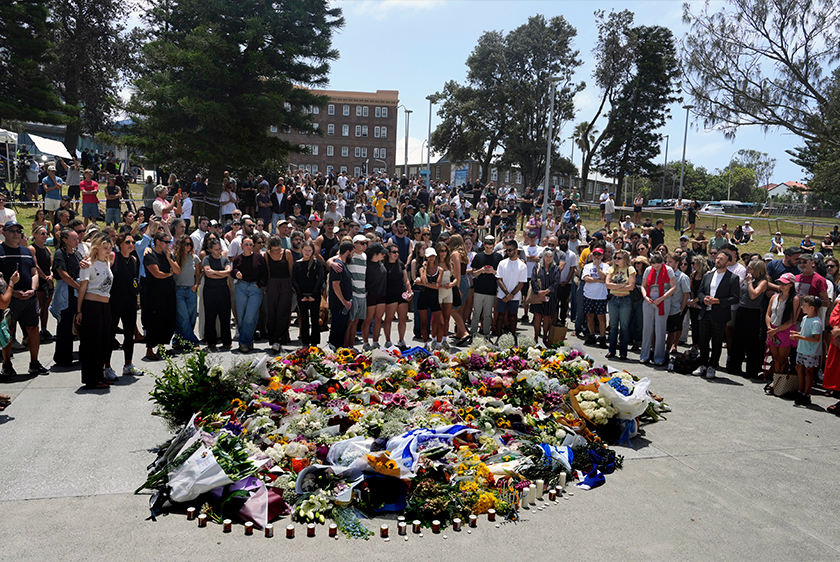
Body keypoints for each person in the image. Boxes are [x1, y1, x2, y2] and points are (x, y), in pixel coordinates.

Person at [0, 221, 49, 376]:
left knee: (34, 330)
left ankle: (34, 363)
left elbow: (34, 272)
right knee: (9, 331)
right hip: (9, 299)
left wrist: (33, 290)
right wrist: (13, 292)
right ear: (4, 233)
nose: (16, 233)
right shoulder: (0, 251)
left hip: (30, 298)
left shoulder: (26, 251)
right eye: (12, 231)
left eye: (18, 231)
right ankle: (7, 364)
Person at [692, 249, 741, 379]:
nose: (718, 260)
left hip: (719, 314)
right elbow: (700, 292)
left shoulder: (732, 278)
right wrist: (704, 299)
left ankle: (712, 366)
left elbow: (735, 298)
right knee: (703, 341)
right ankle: (702, 364)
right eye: (717, 258)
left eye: (721, 259)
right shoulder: (708, 275)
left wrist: (717, 301)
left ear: (728, 262)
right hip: (705, 313)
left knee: (717, 342)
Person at [76, 234, 114, 388]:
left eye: (110, 247)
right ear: (97, 248)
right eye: (105, 248)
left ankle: (100, 375)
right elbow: (83, 287)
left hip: (105, 306)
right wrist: (79, 310)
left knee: (104, 341)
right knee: (92, 343)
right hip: (91, 306)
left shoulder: (107, 263)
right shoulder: (88, 264)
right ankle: (92, 378)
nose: (108, 250)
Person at [107, 231, 141, 377]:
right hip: (114, 302)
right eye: (128, 242)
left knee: (129, 334)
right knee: (109, 334)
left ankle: (128, 364)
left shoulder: (133, 259)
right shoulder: (113, 257)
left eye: (132, 242)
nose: (131, 245)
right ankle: (107, 367)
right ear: (120, 244)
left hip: (130, 302)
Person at [142, 231, 180, 360]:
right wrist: (169, 274)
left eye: (169, 242)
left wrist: (169, 259)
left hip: (168, 291)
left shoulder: (167, 254)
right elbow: (157, 273)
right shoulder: (150, 255)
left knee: (168, 319)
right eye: (166, 242)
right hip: (155, 292)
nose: (168, 244)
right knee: (155, 320)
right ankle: (149, 349)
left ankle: (162, 347)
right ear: (157, 242)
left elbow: (177, 270)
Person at [231, 235, 266, 353]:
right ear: (241, 246)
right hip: (241, 287)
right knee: (240, 317)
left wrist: (260, 284)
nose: (248, 247)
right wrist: (236, 273)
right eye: (246, 244)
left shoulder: (259, 258)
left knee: (250, 316)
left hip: (255, 288)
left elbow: (265, 273)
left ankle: (243, 342)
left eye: (251, 245)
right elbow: (233, 270)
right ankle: (248, 340)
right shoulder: (238, 258)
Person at [640, 253, 676, 366]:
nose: (656, 268)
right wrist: (645, 296)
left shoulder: (669, 270)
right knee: (647, 328)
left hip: (662, 300)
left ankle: (659, 357)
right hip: (649, 300)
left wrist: (662, 298)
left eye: (658, 266)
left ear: (662, 263)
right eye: (654, 266)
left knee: (660, 329)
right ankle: (644, 355)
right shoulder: (648, 270)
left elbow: (673, 286)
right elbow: (643, 286)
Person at [292, 241, 325, 347]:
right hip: (302, 295)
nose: (307, 252)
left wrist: (314, 294)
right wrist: (300, 294)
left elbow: (320, 279)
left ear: (312, 251)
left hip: (314, 295)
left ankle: (315, 341)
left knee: (315, 318)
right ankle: (305, 341)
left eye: (309, 250)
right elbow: (294, 280)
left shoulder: (317, 263)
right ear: (302, 250)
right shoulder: (297, 264)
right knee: (304, 318)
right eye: (305, 250)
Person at [790, 295, 822, 406]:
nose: (802, 307)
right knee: (799, 368)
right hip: (802, 349)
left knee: (809, 371)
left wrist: (799, 337)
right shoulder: (805, 318)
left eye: (804, 305)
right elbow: (804, 333)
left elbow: (816, 338)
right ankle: (800, 390)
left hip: (810, 351)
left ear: (812, 308)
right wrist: (797, 334)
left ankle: (806, 394)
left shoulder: (816, 322)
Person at [201, 238, 232, 350]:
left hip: (223, 290)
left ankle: (226, 341)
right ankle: (211, 341)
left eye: (219, 249)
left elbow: (228, 272)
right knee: (210, 317)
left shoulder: (225, 260)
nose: (218, 251)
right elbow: (208, 274)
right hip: (210, 291)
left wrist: (215, 272)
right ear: (210, 250)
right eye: (216, 249)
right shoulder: (206, 259)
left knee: (225, 317)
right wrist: (221, 273)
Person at [265, 235, 294, 350]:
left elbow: (291, 270)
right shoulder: (266, 255)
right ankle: (272, 339)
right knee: (272, 312)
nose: (276, 251)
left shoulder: (287, 253)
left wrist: (293, 286)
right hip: (272, 283)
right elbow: (268, 271)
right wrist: (267, 286)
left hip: (286, 282)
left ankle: (279, 338)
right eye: (274, 249)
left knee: (283, 311)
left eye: (278, 249)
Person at [605, 250, 636, 359]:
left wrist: (616, 286)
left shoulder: (630, 269)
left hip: (625, 300)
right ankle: (611, 350)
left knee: (624, 327)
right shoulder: (612, 269)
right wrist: (623, 286)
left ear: (625, 259)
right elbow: (607, 285)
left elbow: (631, 286)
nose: (616, 260)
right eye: (615, 257)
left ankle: (623, 352)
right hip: (613, 299)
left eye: (619, 258)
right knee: (613, 326)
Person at [173, 235, 201, 349]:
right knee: (183, 316)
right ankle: (193, 341)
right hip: (178, 289)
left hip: (191, 289)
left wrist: (196, 285)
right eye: (186, 244)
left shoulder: (195, 258)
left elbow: (198, 274)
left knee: (191, 317)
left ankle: (178, 340)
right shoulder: (174, 257)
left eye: (190, 244)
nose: (188, 246)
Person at [382, 242, 411, 349]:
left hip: (401, 294)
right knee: (389, 318)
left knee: (402, 319)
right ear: (388, 253)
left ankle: (401, 340)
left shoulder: (401, 264)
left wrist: (410, 291)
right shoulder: (384, 265)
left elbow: (406, 280)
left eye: (398, 252)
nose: (396, 254)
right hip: (390, 294)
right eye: (394, 252)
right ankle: (388, 341)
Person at [529, 249, 560, 345]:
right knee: (537, 316)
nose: (548, 258)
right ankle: (535, 337)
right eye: (547, 256)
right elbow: (533, 279)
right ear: (543, 256)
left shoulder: (555, 268)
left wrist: (546, 291)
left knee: (547, 317)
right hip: (538, 296)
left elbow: (556, 282)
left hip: (550, 296)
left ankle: (545, 338)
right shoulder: (537, 266)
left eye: (550, 257)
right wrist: (539, 292)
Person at [28, 225, 53, 341]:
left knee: (45, 306)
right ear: (35, 235)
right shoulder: (32, 248)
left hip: (49, 281)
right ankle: (34, 330)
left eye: (46, 233)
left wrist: (51, 275)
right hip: (39, 281)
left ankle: (44, 328)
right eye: (42, 234)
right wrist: (45, 277)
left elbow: (51, 265)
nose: (45, 236)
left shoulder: (47, 249)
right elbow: (35, 266)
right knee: (38, 306)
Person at [582, 247, 610, 348]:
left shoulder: (606, 266)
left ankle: (602, 337)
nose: (596, 256)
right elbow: (586, 278)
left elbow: (604, 277)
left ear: (602, 256)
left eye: (599, 255)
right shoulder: (587, 266)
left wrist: (598, 266)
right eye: (595, 254)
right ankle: (592, 335)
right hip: (588, 295)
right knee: (589, 316)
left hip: (601, 296)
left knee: (601, 317)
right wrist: (598, 280)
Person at [665, 252, 691, 355]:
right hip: (663, 307)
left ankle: (667, 350)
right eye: (666, 261)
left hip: (675, 308)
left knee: (672, 331)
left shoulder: (682, 277)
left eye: (670, 262)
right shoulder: (664, 274)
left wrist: (682, 308)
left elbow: (686, 294)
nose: (667, 264)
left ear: (677, 263)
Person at [417, 247, 443, 349]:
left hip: (434, 298)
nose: (431, 258)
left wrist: (425, 284)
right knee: (423, 323)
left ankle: (439, 345)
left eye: (433, 256)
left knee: (440, 322)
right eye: (429, 256)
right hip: (423, 298)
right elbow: (423, 281)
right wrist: (424, 269)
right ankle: (425, 344)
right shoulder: (421, 269)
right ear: (426, 257)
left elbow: (437, 286)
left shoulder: (440, 269)